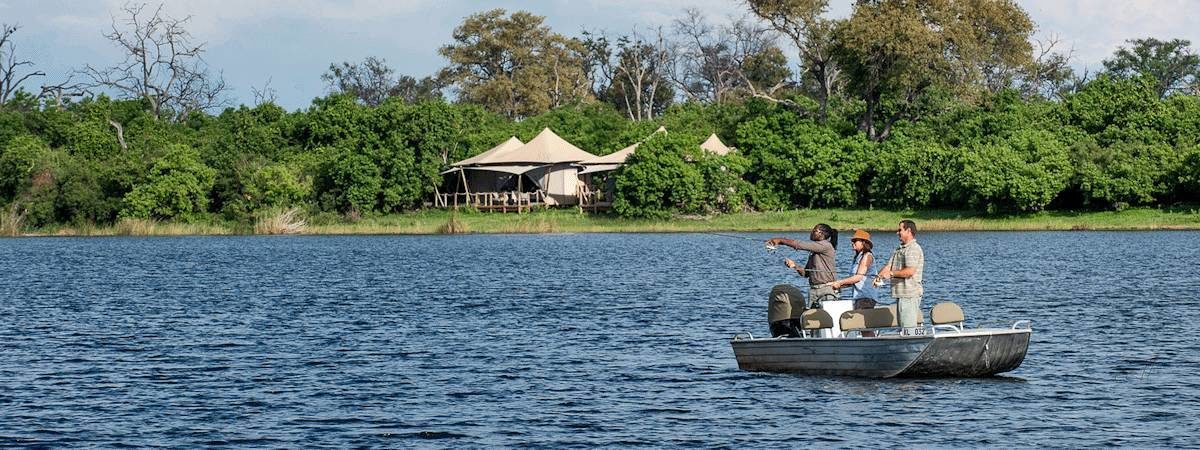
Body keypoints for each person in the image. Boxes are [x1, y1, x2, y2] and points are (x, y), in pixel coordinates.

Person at [766, 223, 838, 309]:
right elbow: (806, 273)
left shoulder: (825, 245)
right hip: (813, 290)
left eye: (814, 230)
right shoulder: (814, 251)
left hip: (826, 289)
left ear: (821, 234)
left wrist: (780, 240)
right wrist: (795, 266)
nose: (811, 232)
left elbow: (800, 245)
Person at [874, 220, 925, 335]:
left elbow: (910, 271)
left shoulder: (913, 249)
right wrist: (879, 277)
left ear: (909, 231)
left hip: (909, 294)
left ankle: (912, 351)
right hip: (901, 295)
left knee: (908, 330)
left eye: (900, 230)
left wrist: (891, 274)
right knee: (903, 328)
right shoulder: (899, 249)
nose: (897, 233)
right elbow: (888, 267)